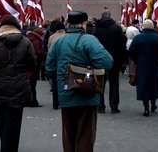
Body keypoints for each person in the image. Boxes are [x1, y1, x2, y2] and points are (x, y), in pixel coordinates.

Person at [46, 10, 113, 152]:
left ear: (68, 23)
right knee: (85, 135)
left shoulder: (58, 41)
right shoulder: (89, 40)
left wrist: (61, 79)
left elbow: (49, 69)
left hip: (65, 93)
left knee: (69, 135)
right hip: (87, 94)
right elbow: (107, 62)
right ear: (83, 24)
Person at [0, 15, 36, 152]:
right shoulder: (25, 42)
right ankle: (9, 147)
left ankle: (5, 145)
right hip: (20, 86)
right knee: (15, 120)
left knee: (3, 118)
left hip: (1, 85)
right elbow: (32, 63)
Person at [128, 19, 158, 116]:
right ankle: (153, 104)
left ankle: (146, 107)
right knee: (153, 84)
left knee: (143, 85)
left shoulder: (138, 38)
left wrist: (137, 59)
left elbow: (131, 51)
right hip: (154, 65)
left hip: (142, 65)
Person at [93, 11, 127, 114]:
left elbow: (94, 46)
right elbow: (122, 45)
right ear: (110, 17)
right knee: (114, 83)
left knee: (99, 84)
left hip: (100, 60)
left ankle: (100, 106)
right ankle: (114, 106)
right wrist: (123, 61)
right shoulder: (117, 28)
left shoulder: (97, 29)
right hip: (114, 60)